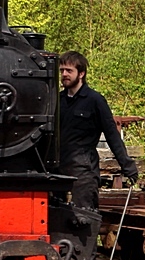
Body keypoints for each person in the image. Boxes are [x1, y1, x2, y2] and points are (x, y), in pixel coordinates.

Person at [58, 50, 139, 212]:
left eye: (69, 71)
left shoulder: (95, 101)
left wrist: (128, 166)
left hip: (84, 170)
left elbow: (112, 135)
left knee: (84, 217)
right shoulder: (57, 101)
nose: (64, 74)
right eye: (62, 71)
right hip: (57, 169)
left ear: (81, 74)